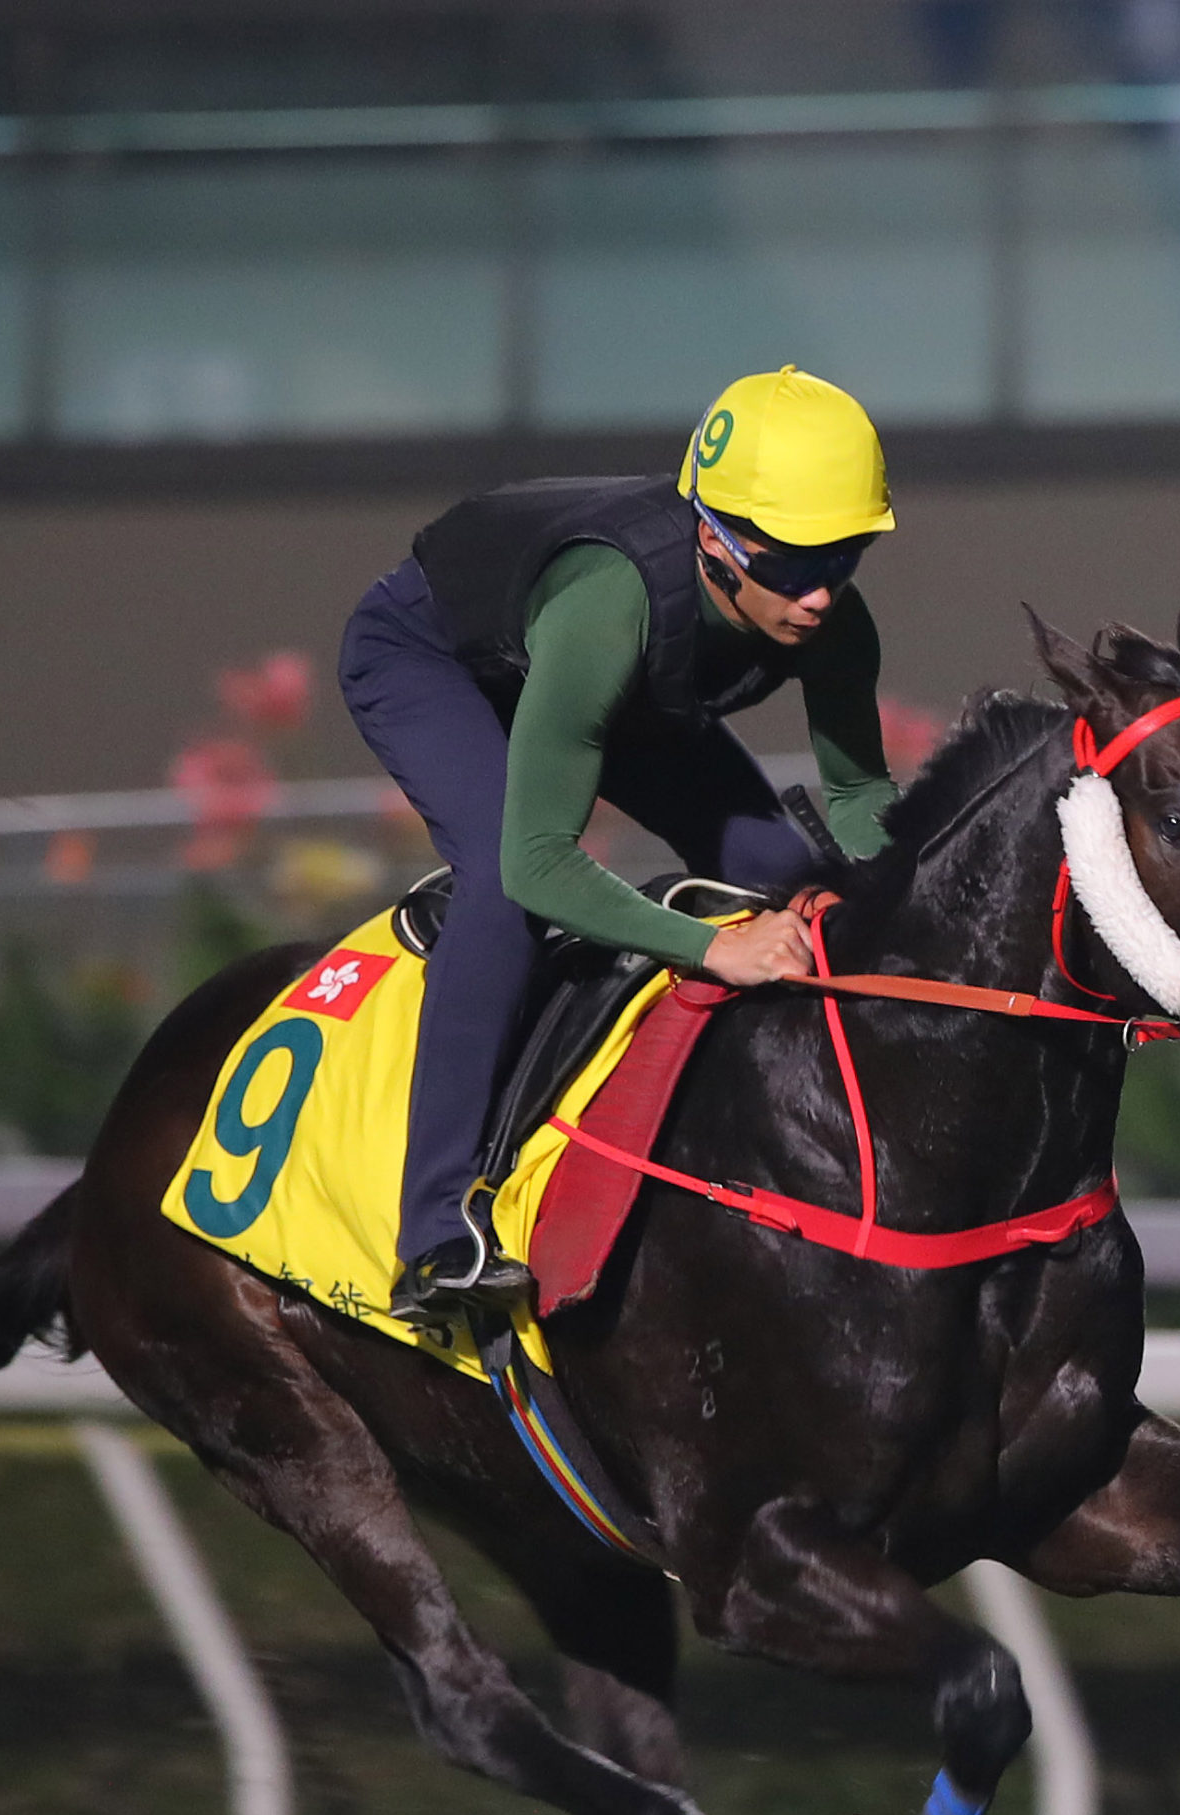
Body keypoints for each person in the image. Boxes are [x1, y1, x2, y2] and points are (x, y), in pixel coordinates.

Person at [336, 366, 906, 1329]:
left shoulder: (833, 623)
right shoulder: (612, 604)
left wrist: (911, 899)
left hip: (619, 685)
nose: (818, 596)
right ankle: (434, 1234)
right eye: (792, 564)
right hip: (435, 659)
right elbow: (541, 859)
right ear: (716, 540)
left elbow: (857, 798)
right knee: (504, 885)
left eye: (844, 557)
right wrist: (716, 946)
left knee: (785, 877)